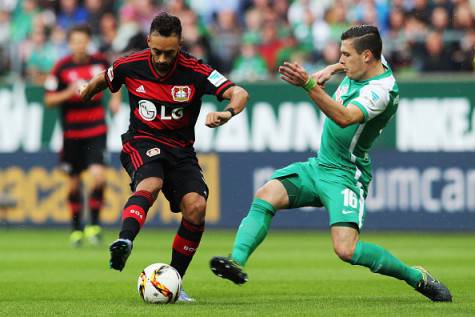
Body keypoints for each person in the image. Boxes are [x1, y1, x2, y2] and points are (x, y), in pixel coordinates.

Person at [210, 25, 452, 302]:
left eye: (346, 55)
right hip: (319, 165)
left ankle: (416, 276)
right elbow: (349, 63)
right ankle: (236, 262)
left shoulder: (380, 91)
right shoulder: (366, 64)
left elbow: (345, 117)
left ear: (368, 57)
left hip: (346, 174)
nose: (342, 59)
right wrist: (332, 69)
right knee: (266, 194)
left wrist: (310, 85)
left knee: (346, 250)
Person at [80, 12, 249, 302]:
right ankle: (125, 240)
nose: (161, 59)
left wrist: (226, 112)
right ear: (148, 41)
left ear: (181, 44)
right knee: (151, 183)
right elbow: (103, 79)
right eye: (156, 51)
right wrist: (86, 94)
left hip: (181, 151)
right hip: (142, 141)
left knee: (196, 207)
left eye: (168, 53)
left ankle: (175, 281)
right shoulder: (129, 64)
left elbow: (239, 92)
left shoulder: (195, 70)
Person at [44, 24, 121, 247]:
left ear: (88, 41)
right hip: (71, 134)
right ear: (70, 43)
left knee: (99, 178)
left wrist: (115, 100)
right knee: (74, 185)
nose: (79, 45)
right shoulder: (61, 67)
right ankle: (77, 230)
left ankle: (94, 226)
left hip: (96, 130)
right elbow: (48, 100)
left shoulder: (100, 62)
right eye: (75, 41)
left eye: (83, 41)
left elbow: (116, 82)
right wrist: (68, 93)